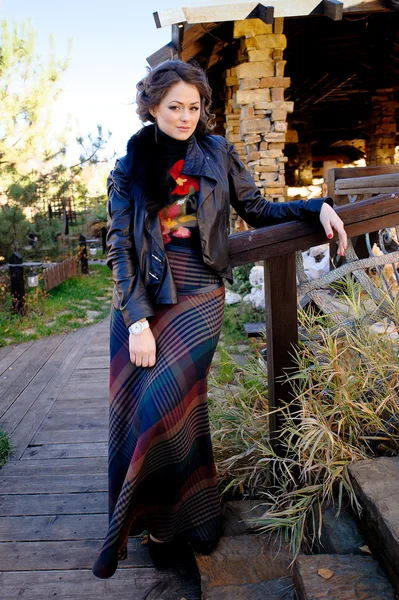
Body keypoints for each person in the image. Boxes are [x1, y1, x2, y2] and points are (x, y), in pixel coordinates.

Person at [92, 58, 347, 579]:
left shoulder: (216, 152)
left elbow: (256, 208)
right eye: (174, 107)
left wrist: (314, 206)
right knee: (146, 413)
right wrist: (137, 322)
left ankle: (175, 520)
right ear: (152, 108)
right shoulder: (129, 165)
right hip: (141, 302)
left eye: (194, 106)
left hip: (199, 291)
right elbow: (121, 248)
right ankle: (165, 523)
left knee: (167, 405)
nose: (187, 116)